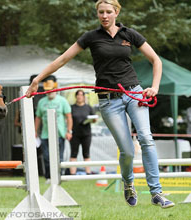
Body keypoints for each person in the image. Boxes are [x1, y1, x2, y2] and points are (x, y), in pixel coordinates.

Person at [26, 0, 174, 208]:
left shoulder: (129, 35)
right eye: (100, 12)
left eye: (108, 12)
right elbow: (61, 60)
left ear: (116, 12)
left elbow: (155, 60)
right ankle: (128, 183)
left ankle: (156, 193)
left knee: (146, 138)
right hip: (108, 100)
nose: (104, 16)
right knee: (128, 151)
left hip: (134, 93)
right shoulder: (91, 37)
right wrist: (37, 80)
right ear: (97, 14)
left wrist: (155, 87)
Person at [35, 75, 72, 182]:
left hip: (60, 134)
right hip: (45, 135)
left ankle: (58, 176)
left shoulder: (62, 101)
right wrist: (35, 131)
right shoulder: (42, 102)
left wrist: (69, 131)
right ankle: (48, 177)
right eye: (47, 90)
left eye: (51, 90)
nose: (49, 92)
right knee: (46, 157)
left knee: (59, 157)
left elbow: (68, 117)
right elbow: (38, 118)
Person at [69, 90, 97, 175]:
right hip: (74, 134)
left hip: (86, 134)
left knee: (86, 153)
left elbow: (94, 119)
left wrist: (93, 119)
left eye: (81, 95)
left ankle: (88, 172)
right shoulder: (72, 107)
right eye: (78, 95)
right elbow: (68, 119)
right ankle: (72, 173)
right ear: (76, 96)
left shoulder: (88, 107)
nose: (79, 96)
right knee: (73, 153)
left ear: (84, 97)